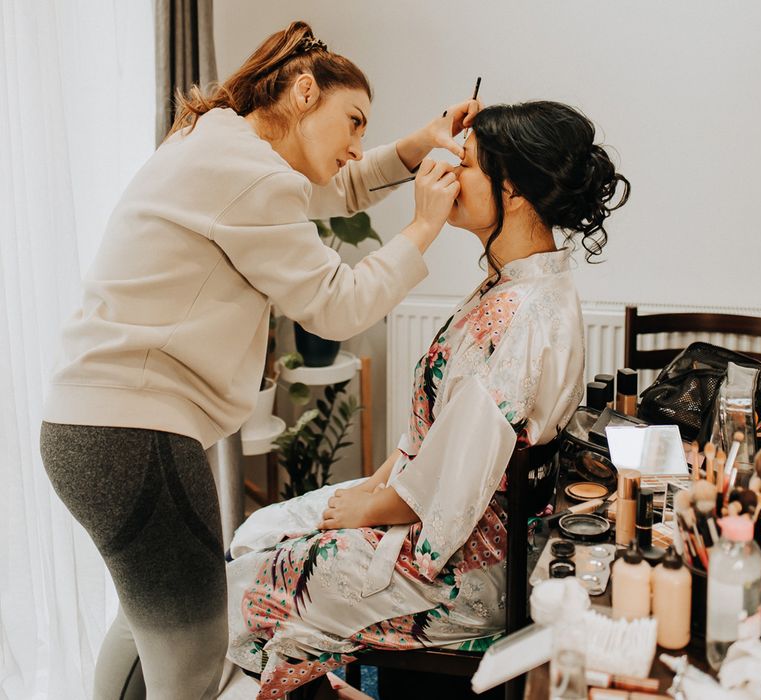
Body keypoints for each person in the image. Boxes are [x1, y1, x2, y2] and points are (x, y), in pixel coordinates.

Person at [38, 20, 479, 700]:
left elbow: (342, 186)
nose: (357, 146)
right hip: (133, 437)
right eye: (353, 122)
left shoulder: (220, 141)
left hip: (92, 430)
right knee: (190, 674)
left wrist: (419, 144)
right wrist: (423, 224)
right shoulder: (250, 177)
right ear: (304, 92)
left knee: (146, 632)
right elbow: (338, 305)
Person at [225, 100, 630, 698]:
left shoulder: (519, 319)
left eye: (465, 162)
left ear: (512, 190)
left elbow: (451, 487)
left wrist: (370, 507)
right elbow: (434, 433)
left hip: (458, 567)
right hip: (433, 509)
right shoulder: (525, 280)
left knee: (243, 585)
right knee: (259, 529)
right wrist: (372, 487)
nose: (445, 171)